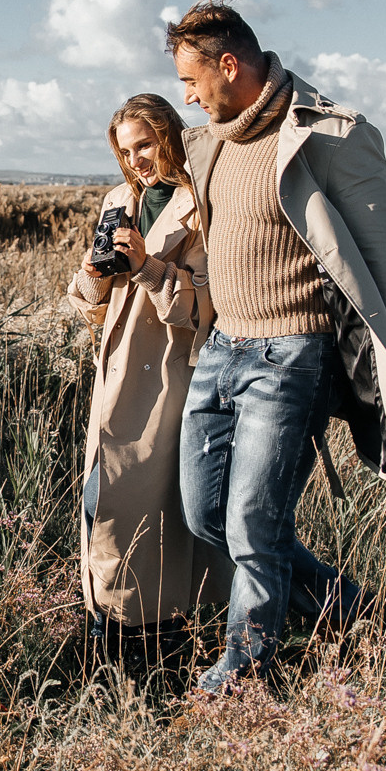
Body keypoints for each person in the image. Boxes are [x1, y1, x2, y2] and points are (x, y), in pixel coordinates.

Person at [166, 0, 386, 694]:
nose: (188, 96)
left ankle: (245, 671)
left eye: (192, 81)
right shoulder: (212, 141)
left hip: (292, 357)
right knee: (207, 517)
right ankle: (348, 607)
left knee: (255, 525)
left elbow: (384, 264)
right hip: (222, 348)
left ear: (230, 65)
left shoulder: (330, 135)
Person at [65, 93, 227, 662]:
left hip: (168, 380)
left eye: (146, 145)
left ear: (171, 137)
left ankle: (152, 645)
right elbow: (88, 307)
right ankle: (111, 638)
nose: (136, 160)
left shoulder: (202, 203)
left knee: (152, 513)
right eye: (125, 150)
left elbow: (205, 308)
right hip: (113, 375)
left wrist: (149, 268)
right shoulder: (120, 200)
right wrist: (95, 275)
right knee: (101, 504)